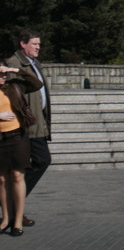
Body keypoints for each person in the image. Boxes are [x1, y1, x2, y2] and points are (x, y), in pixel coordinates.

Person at [5, 30, 51, 225]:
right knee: (40, 161)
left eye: (39, 44)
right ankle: (15, 206)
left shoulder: (33, 63)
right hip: (25, 125)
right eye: (34, 44)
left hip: (37, 122)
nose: (38, 48)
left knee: (35, 164)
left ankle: (15, 206)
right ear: (23, 44)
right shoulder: (13, 64)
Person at [0, 62, 43, 237]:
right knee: (2, 180)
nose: (2, 76)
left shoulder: (14, 86)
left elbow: (36, 84)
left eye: (3, 73)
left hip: (17, 136)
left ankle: (18, 221)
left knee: (17, 175)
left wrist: (14, 70)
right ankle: (5, 219)